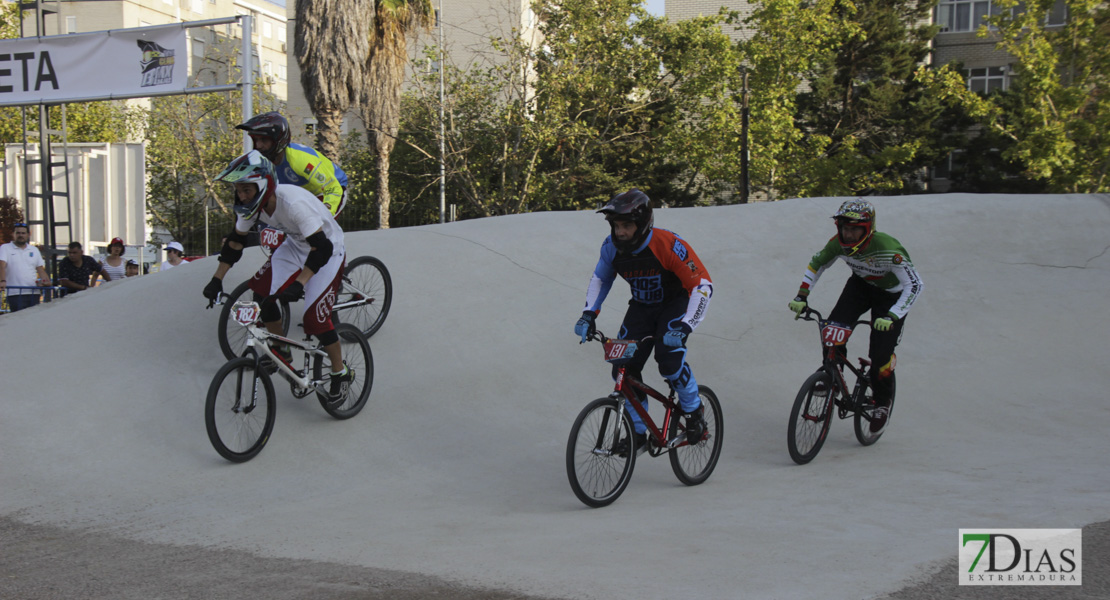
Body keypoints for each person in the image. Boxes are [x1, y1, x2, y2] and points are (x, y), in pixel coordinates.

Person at [201, 150, 351, 404]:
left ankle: (340, 372)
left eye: (247, 190)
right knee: (261, 293)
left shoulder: (293, 204)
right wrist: (217, 279)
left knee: (315, 320)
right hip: (295, 245)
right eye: (239, 190)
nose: (241, 196)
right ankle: (282, 352)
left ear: (263, 186)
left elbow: (321, 249)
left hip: (328, 249)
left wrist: (299, 283)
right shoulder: (251, 207)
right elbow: (236, 242)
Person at [574, 189, 714, 454]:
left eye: (626, 225)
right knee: (622, 370)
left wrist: (686, 325)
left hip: (675, 306)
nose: (620, 232)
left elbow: (702, 286)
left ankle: (694, 410)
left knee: (669, 361)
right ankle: (638, 433)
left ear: (643, 223)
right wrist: (588, 314)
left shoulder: (669, 244)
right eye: (616, 225)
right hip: (642, 308)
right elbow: (601, 279)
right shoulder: (610, 248)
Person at [787, 198, 924, 435]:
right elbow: (816, 265)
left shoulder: (888, 248)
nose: (849, 235)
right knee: (832, 330)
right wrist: (801, 296)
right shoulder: (836, 244)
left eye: (855, 229)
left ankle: (882, 403)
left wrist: (892, 316)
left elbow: (914, 285)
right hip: (860, 287)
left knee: (880, 357)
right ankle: (832, 373)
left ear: (868, 228)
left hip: (892, 297)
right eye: (845, 228)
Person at [235, 112, 349, 217]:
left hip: (330, 190)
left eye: (264, 140)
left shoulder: (300, 160)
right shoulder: (262, 163)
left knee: (317, 231)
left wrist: (325, 213)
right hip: (302, 197)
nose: (258, 145)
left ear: (277, 140)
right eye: (256, 140)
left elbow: (332, 188)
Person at [0, 222, 50, 312]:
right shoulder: (5, 248)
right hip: (15, 293)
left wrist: (46, 281)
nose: (20, 235)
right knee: (19, 320)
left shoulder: (34, 250)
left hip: (33, 292)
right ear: (13, 234)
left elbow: (40, 270)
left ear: (28, 234)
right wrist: (2, 281)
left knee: (32, 320)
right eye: (18, 233)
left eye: (23, 233)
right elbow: (2, 266)